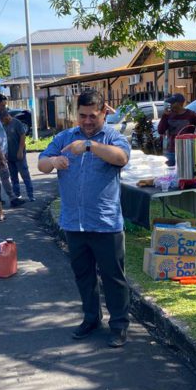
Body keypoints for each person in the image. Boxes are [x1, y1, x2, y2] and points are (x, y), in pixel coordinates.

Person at [39, 90, 132, 348]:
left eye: (93, 116)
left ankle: (119, 325)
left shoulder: (112, 137)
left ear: (103, 113)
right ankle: (91, 318)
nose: (87, 121)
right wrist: (54, 160)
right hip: (74, 222)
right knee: (84, 276)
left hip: (105, 223)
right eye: (82, 116)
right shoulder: (64, 137)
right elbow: (41, 165)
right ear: (76, 114)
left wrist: (90, 146)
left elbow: (122, 158)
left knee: (113, 278)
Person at [0, 93, 25, 206]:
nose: (4, 108)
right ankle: (12, 198)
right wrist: (0, 154)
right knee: (4, 175)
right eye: (2, 105)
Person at [156, 93, 196, 166]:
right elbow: (160, 131)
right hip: (172, 151)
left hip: (187, 151)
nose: (171, 105)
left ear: (180, 103)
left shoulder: (191, 115)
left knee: (189, 170)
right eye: (170, 103)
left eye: (173, 103)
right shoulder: (168, 115)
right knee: (170, 171)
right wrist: (164, 116)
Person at [1, 111, 35, 202]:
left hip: (19, 154)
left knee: (25, 175)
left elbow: (23, 136)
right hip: (9, 155)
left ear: (7, 116)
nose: (3, 122)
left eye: (4, 119)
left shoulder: (16, 123)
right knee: (13, 177)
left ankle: (30, 195)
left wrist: (20, 150)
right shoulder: (3, 125)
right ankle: (17, 195)